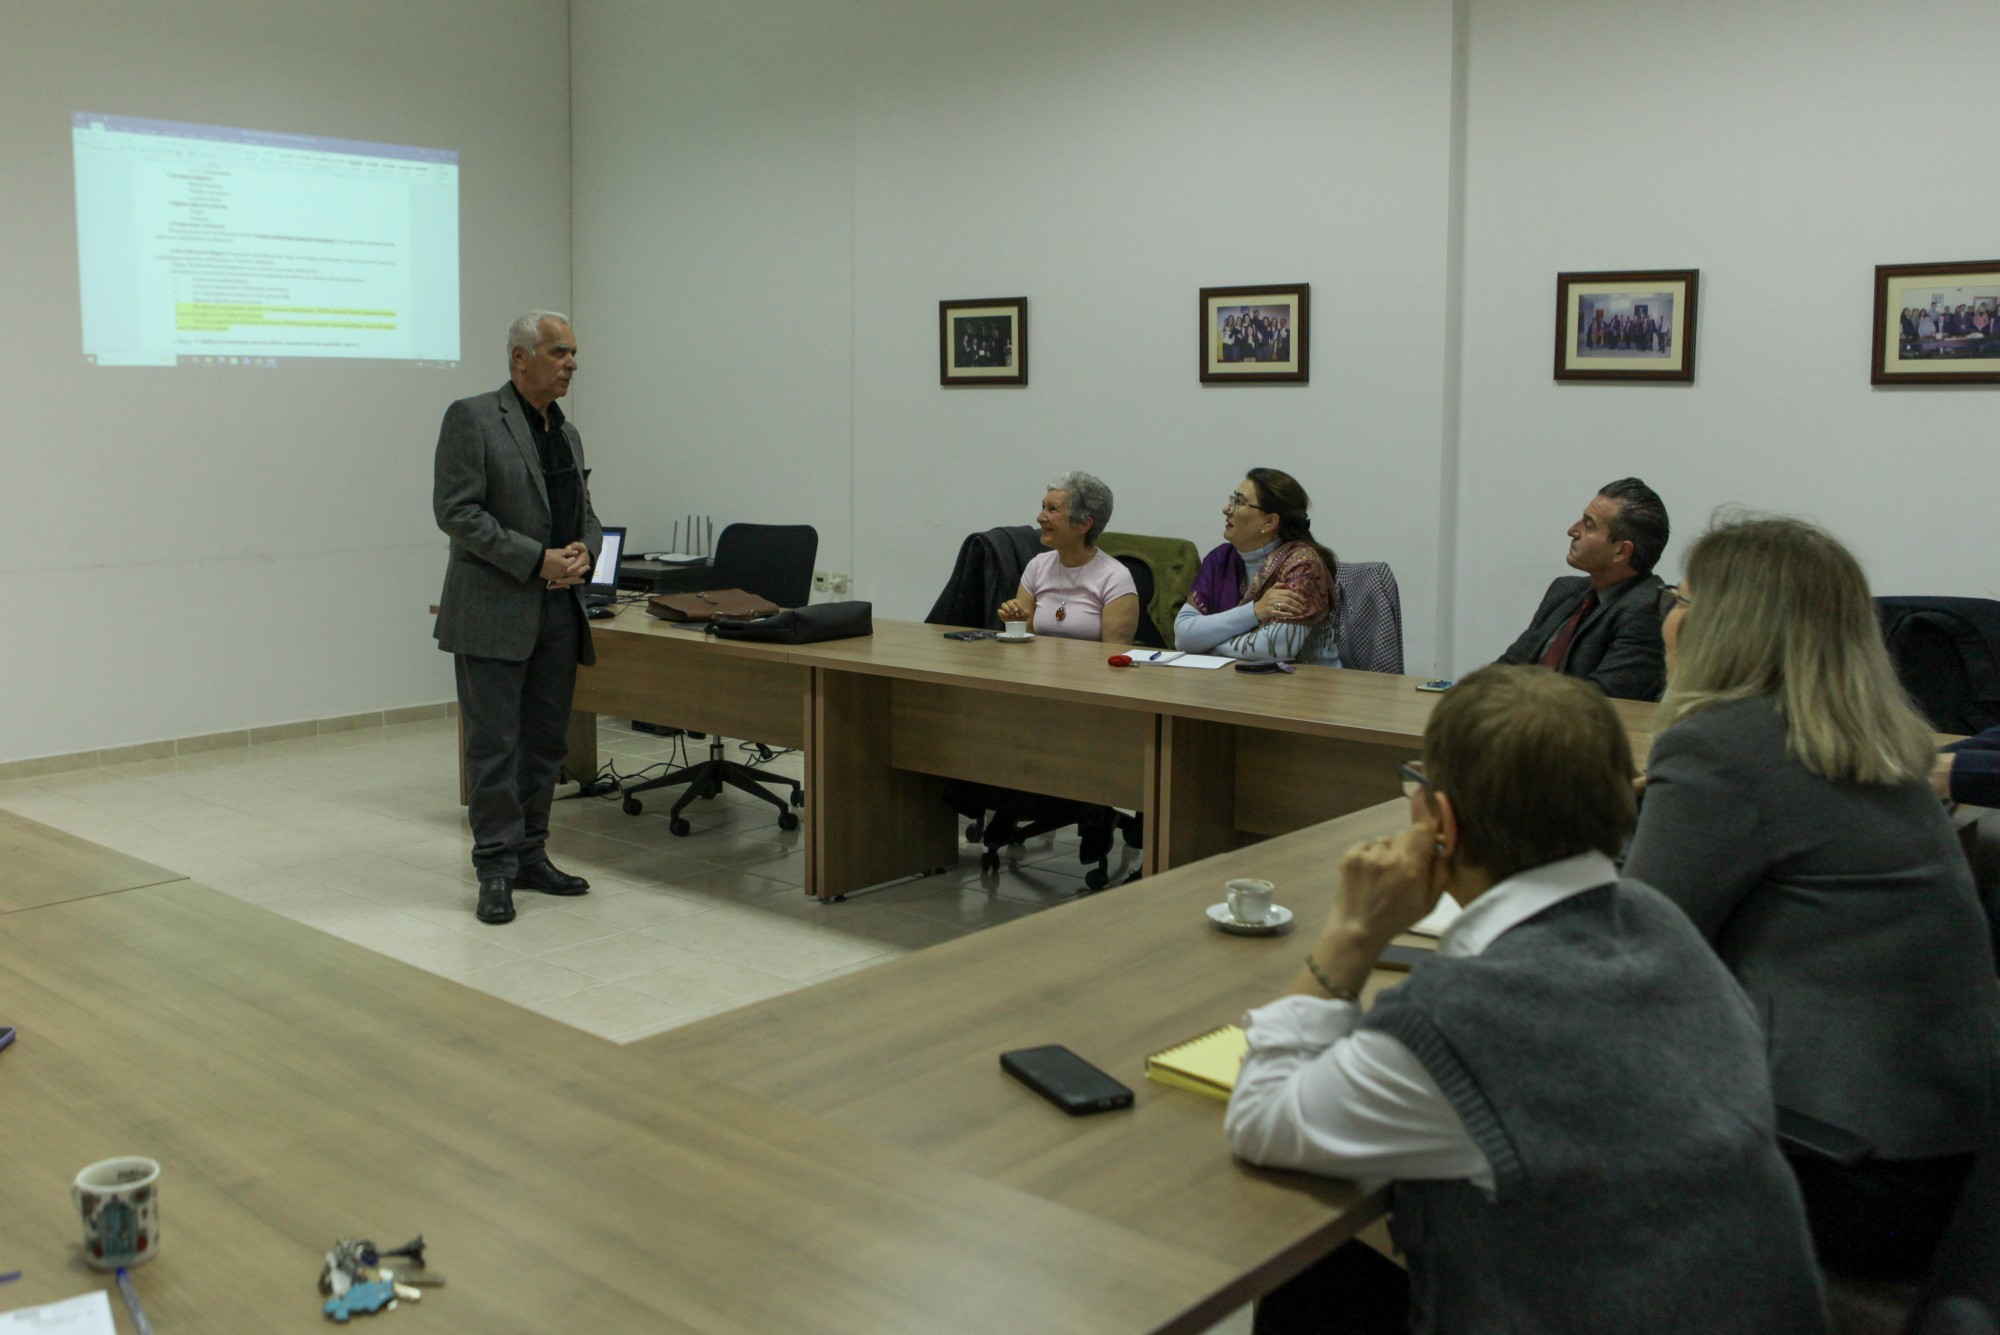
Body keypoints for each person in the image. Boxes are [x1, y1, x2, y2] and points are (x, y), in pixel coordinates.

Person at [1225, 665, 1827, 1335]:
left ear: (1443, 821)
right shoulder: (1661, 921)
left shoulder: (1455, 1018)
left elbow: (1260, 1118)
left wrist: (1350, 934)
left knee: (1311, 1282)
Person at [1624, 514, 2000, 1279]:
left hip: (1841, 1168)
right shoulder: (1868, 739)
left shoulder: (1722, 745)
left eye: (1680, 598)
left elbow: (1634, 953)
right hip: (1947, 1158)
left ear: (1717, 625)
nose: (1668, 615)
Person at [432, 311, 603, 926]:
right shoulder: (473, 417)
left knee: (546, 744)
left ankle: (532, 855)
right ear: (519, 357)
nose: (571, 364)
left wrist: (585, 550)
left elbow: (586, 513)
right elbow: (456, 512)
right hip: (494, 610)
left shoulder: (567, 432)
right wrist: (536, 559)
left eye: (573, 353)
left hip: (559, 612)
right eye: (559, 352)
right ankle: (496, 870)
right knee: (495, 748)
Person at [1495, 476, 1670, 700]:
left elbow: (1600, 699)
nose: (1572, 530)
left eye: (1589, 525)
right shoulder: (1565, 590)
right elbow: (1508, 667)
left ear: (1621, 551)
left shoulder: (1650, 608)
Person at [1175, 469, 1340, 665]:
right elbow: (1183, 637)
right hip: (1236, 677)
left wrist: (1206, 646)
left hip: (1308, 680)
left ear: (1270, 521)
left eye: (1240, 502)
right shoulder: (1220, 560)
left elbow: (1274, 649)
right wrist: (1254, 612)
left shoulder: (1302, 565)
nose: (1227, 509)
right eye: (1232, 499)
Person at [997, 471, 1139, 644]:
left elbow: (1114, 654)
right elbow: (1025, 644)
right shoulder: (1037, 566)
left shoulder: (1115, 577)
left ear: (1084, 524)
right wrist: (1015, 624)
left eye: (1053, 509)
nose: (1040, 518)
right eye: (1043, 507)